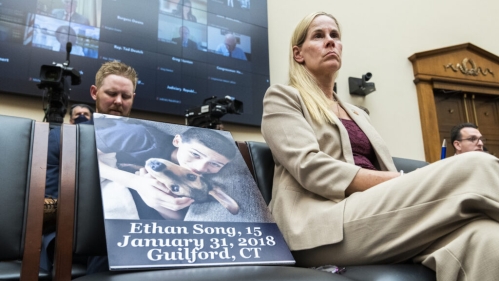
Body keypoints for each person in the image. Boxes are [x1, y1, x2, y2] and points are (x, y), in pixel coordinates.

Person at [261, 11, 499, 280]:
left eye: (335, 36)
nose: (330, 41)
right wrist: (397, 181)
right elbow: (309, 167)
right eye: (318, 36)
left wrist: (400, 184)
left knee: (488, 239)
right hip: (321, 225)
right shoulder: (283, 97)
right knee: (476, 164)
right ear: (298, 54)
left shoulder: (358, 113)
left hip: (375, 216)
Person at [42, 61, 139, 274]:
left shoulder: (142, 140)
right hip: (72, 232)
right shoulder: (64, 138)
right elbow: (48, 199)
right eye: (111, 93)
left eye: (126, 96)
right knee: (112, 238)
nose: (118, 102)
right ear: (94, 93)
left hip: (134, 229)